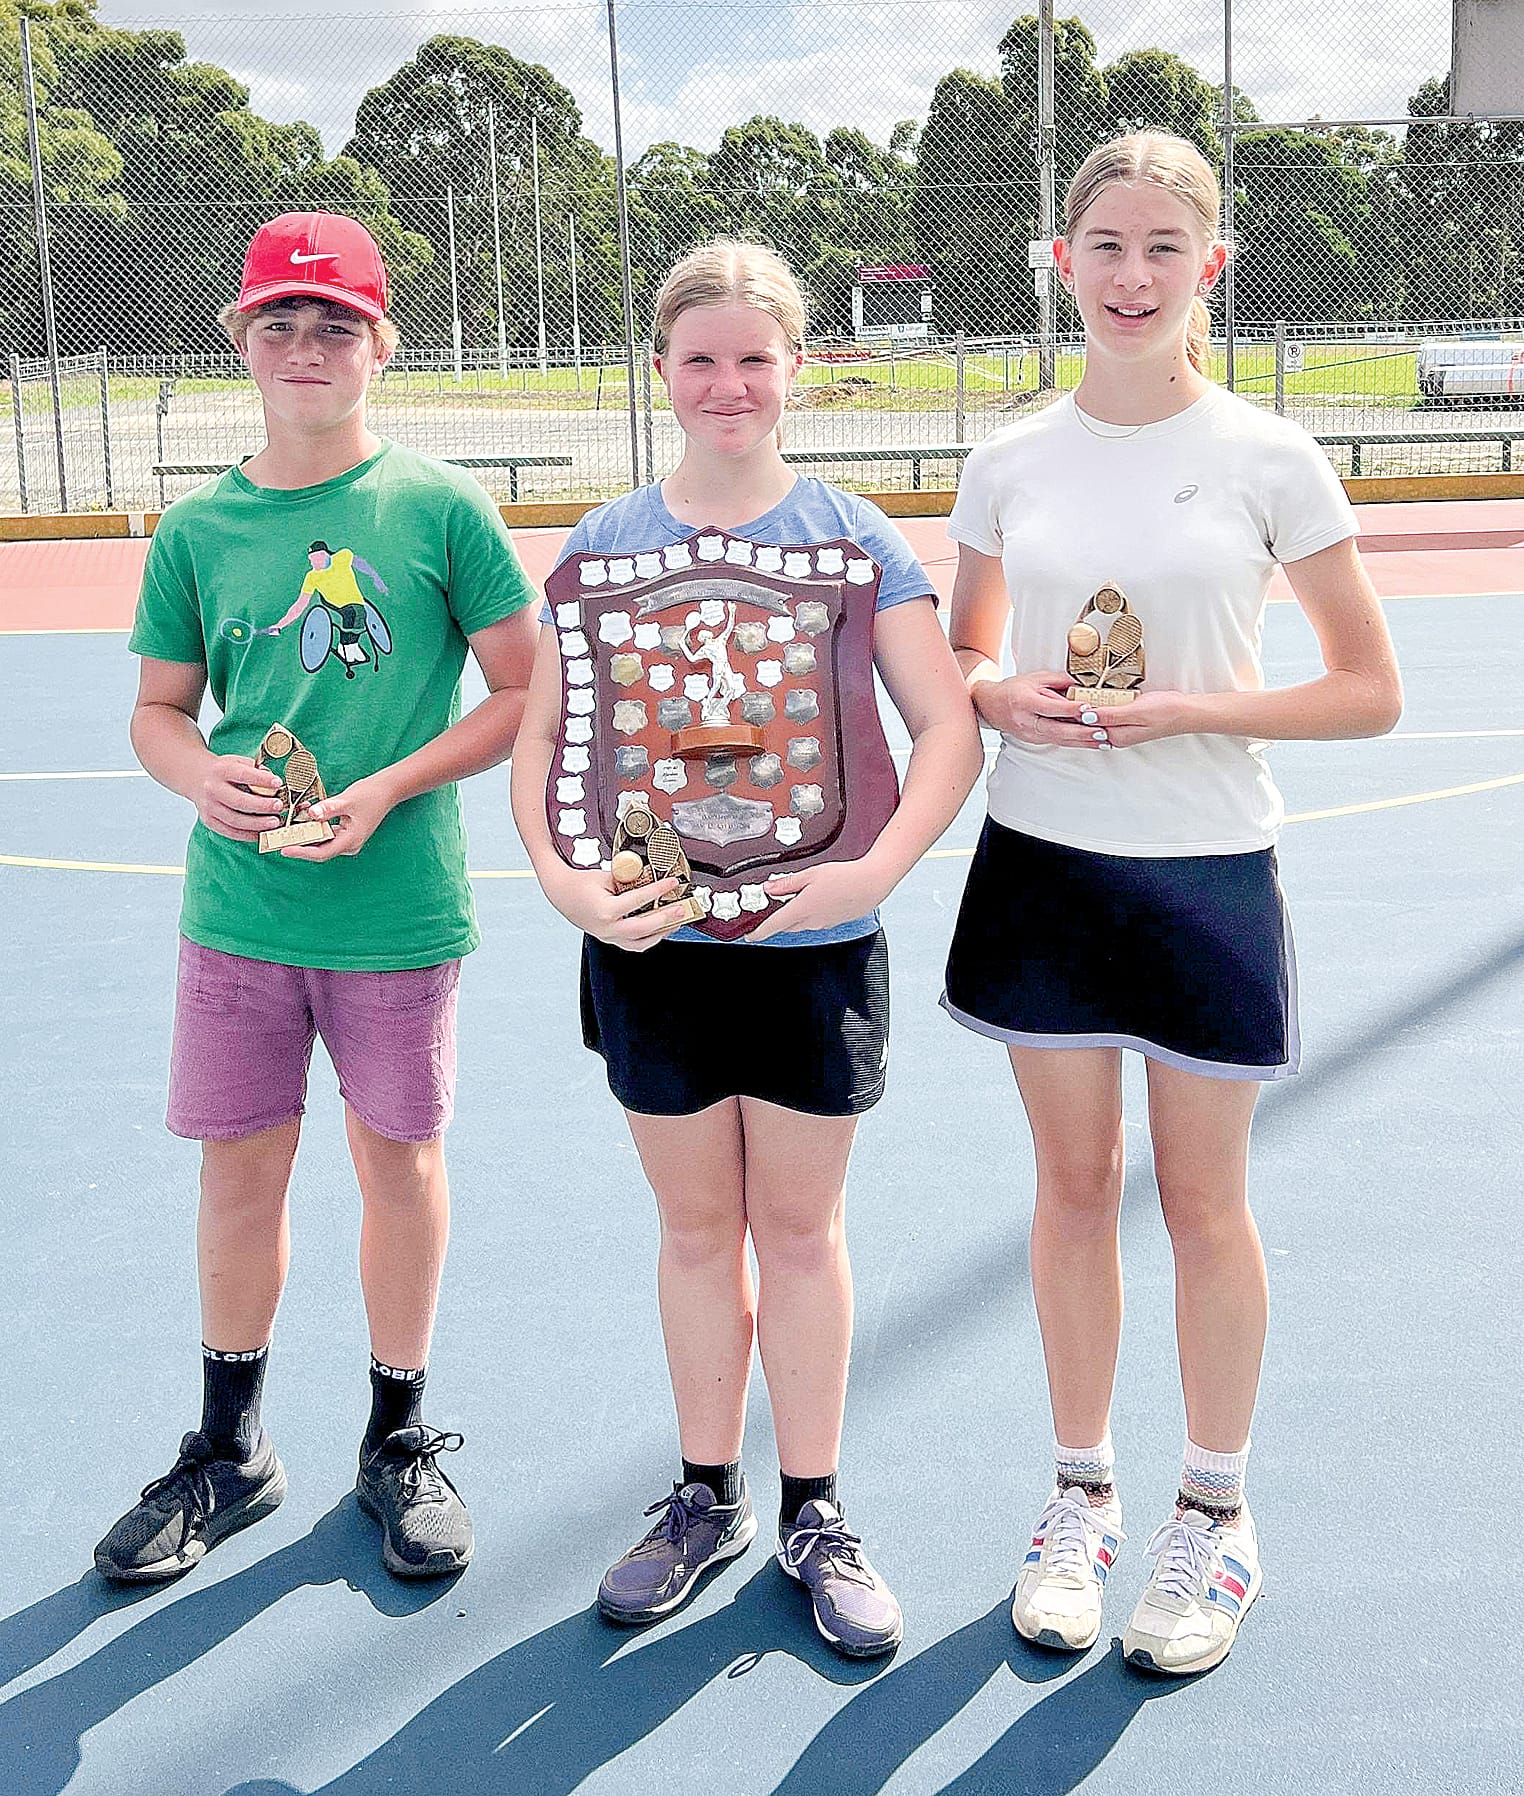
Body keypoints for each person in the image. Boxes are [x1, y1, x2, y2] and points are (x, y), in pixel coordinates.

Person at [942, 133, 1402, 1674]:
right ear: (1060, 260)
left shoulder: (1276, 459)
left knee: (1205, 1204)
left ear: (1211, 268)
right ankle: (1081, 1498)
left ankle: (1216, 1516)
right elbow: (964, 661)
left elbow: (1368, 694)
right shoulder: (1008, 460)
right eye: (1107, 246)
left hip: (1207, 875)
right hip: (1045, 870)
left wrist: (1195, 711)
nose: (1132, 276)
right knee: (1073, 1194)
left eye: (1164, 249)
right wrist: (1005, 694)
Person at [511, 240, 983, 1658]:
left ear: (796, 370)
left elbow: (946, 726)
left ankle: (817, 1510)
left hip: (813, 947)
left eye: (754, 358)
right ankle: (704, 1494)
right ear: (661, 370)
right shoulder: (600, 550)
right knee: (697, 1229)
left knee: (801, 1229)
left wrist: (866, 872)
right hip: (653, 944)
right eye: (701, 358)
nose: (728, 384)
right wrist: (564, 888)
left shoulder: (858, 537)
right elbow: (542, 745)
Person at [94, 212, 539, 1584]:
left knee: (397, 1167)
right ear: (241, 341)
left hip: (397, 913)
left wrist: (393, 785)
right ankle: (232, 1448)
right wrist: (198, 780)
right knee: (241, 1171)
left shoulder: (441, 508)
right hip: (239, 917)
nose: (305, 345)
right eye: (278, 322)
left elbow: (522, 690)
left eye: (333, 323)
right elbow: (161, 714)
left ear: (379, 345)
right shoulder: (198, 529)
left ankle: (395, 1440)